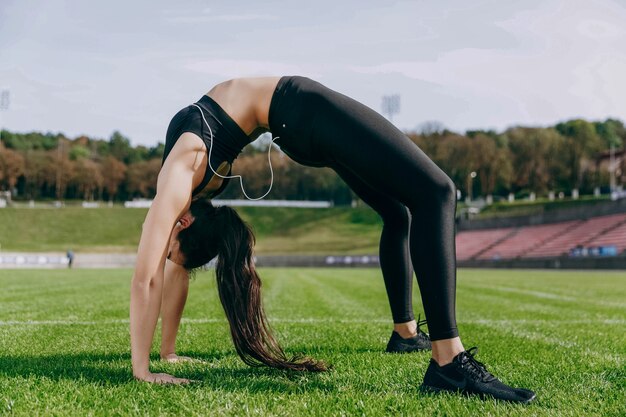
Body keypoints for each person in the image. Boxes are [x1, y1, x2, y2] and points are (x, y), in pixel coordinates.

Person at [129, 76, 536, 403]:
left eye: (166, 245)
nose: (160, 242)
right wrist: (153, 361)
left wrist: (148, 363)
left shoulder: (181, 178)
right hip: (300, 112)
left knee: (400, 212)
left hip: (299, 120)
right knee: (439, 192)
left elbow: (152, 276)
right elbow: (164, 274)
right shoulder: (184, 184)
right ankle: (449, 361)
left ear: (181, 225)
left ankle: (406, 334)